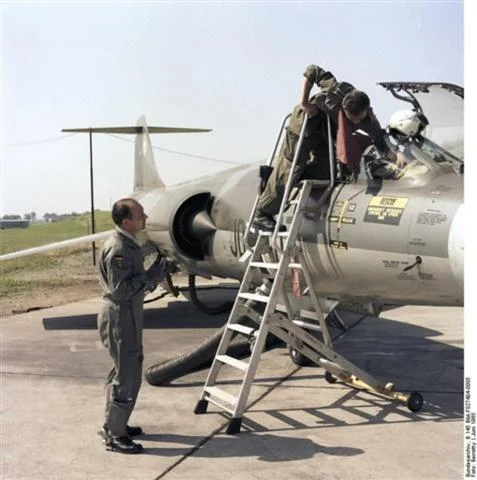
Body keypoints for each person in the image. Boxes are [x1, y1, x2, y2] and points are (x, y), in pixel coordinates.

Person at [253, 64, 405, 230]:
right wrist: (304, 102)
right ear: (343, 109)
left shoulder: (366, 116)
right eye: (351, 119)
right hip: (305, 124)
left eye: (359, 119)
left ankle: (275, 179)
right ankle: (262, 214)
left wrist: (395, 155)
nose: (356, 123)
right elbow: (312, 71)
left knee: (325, 170)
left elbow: (378, 137)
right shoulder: (335, 90)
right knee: (292, 167)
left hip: (325, 132)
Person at [97, 198, 167, 454]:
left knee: (123, 370)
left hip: (127, 315)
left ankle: (115, 423)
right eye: (140, 215)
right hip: (120, 316)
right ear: (126, 221)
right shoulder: (119, 249)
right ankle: (115, 435)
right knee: (127, 376)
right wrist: (151, 278)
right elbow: (121, 290)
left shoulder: (128, 243)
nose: (145, 217)